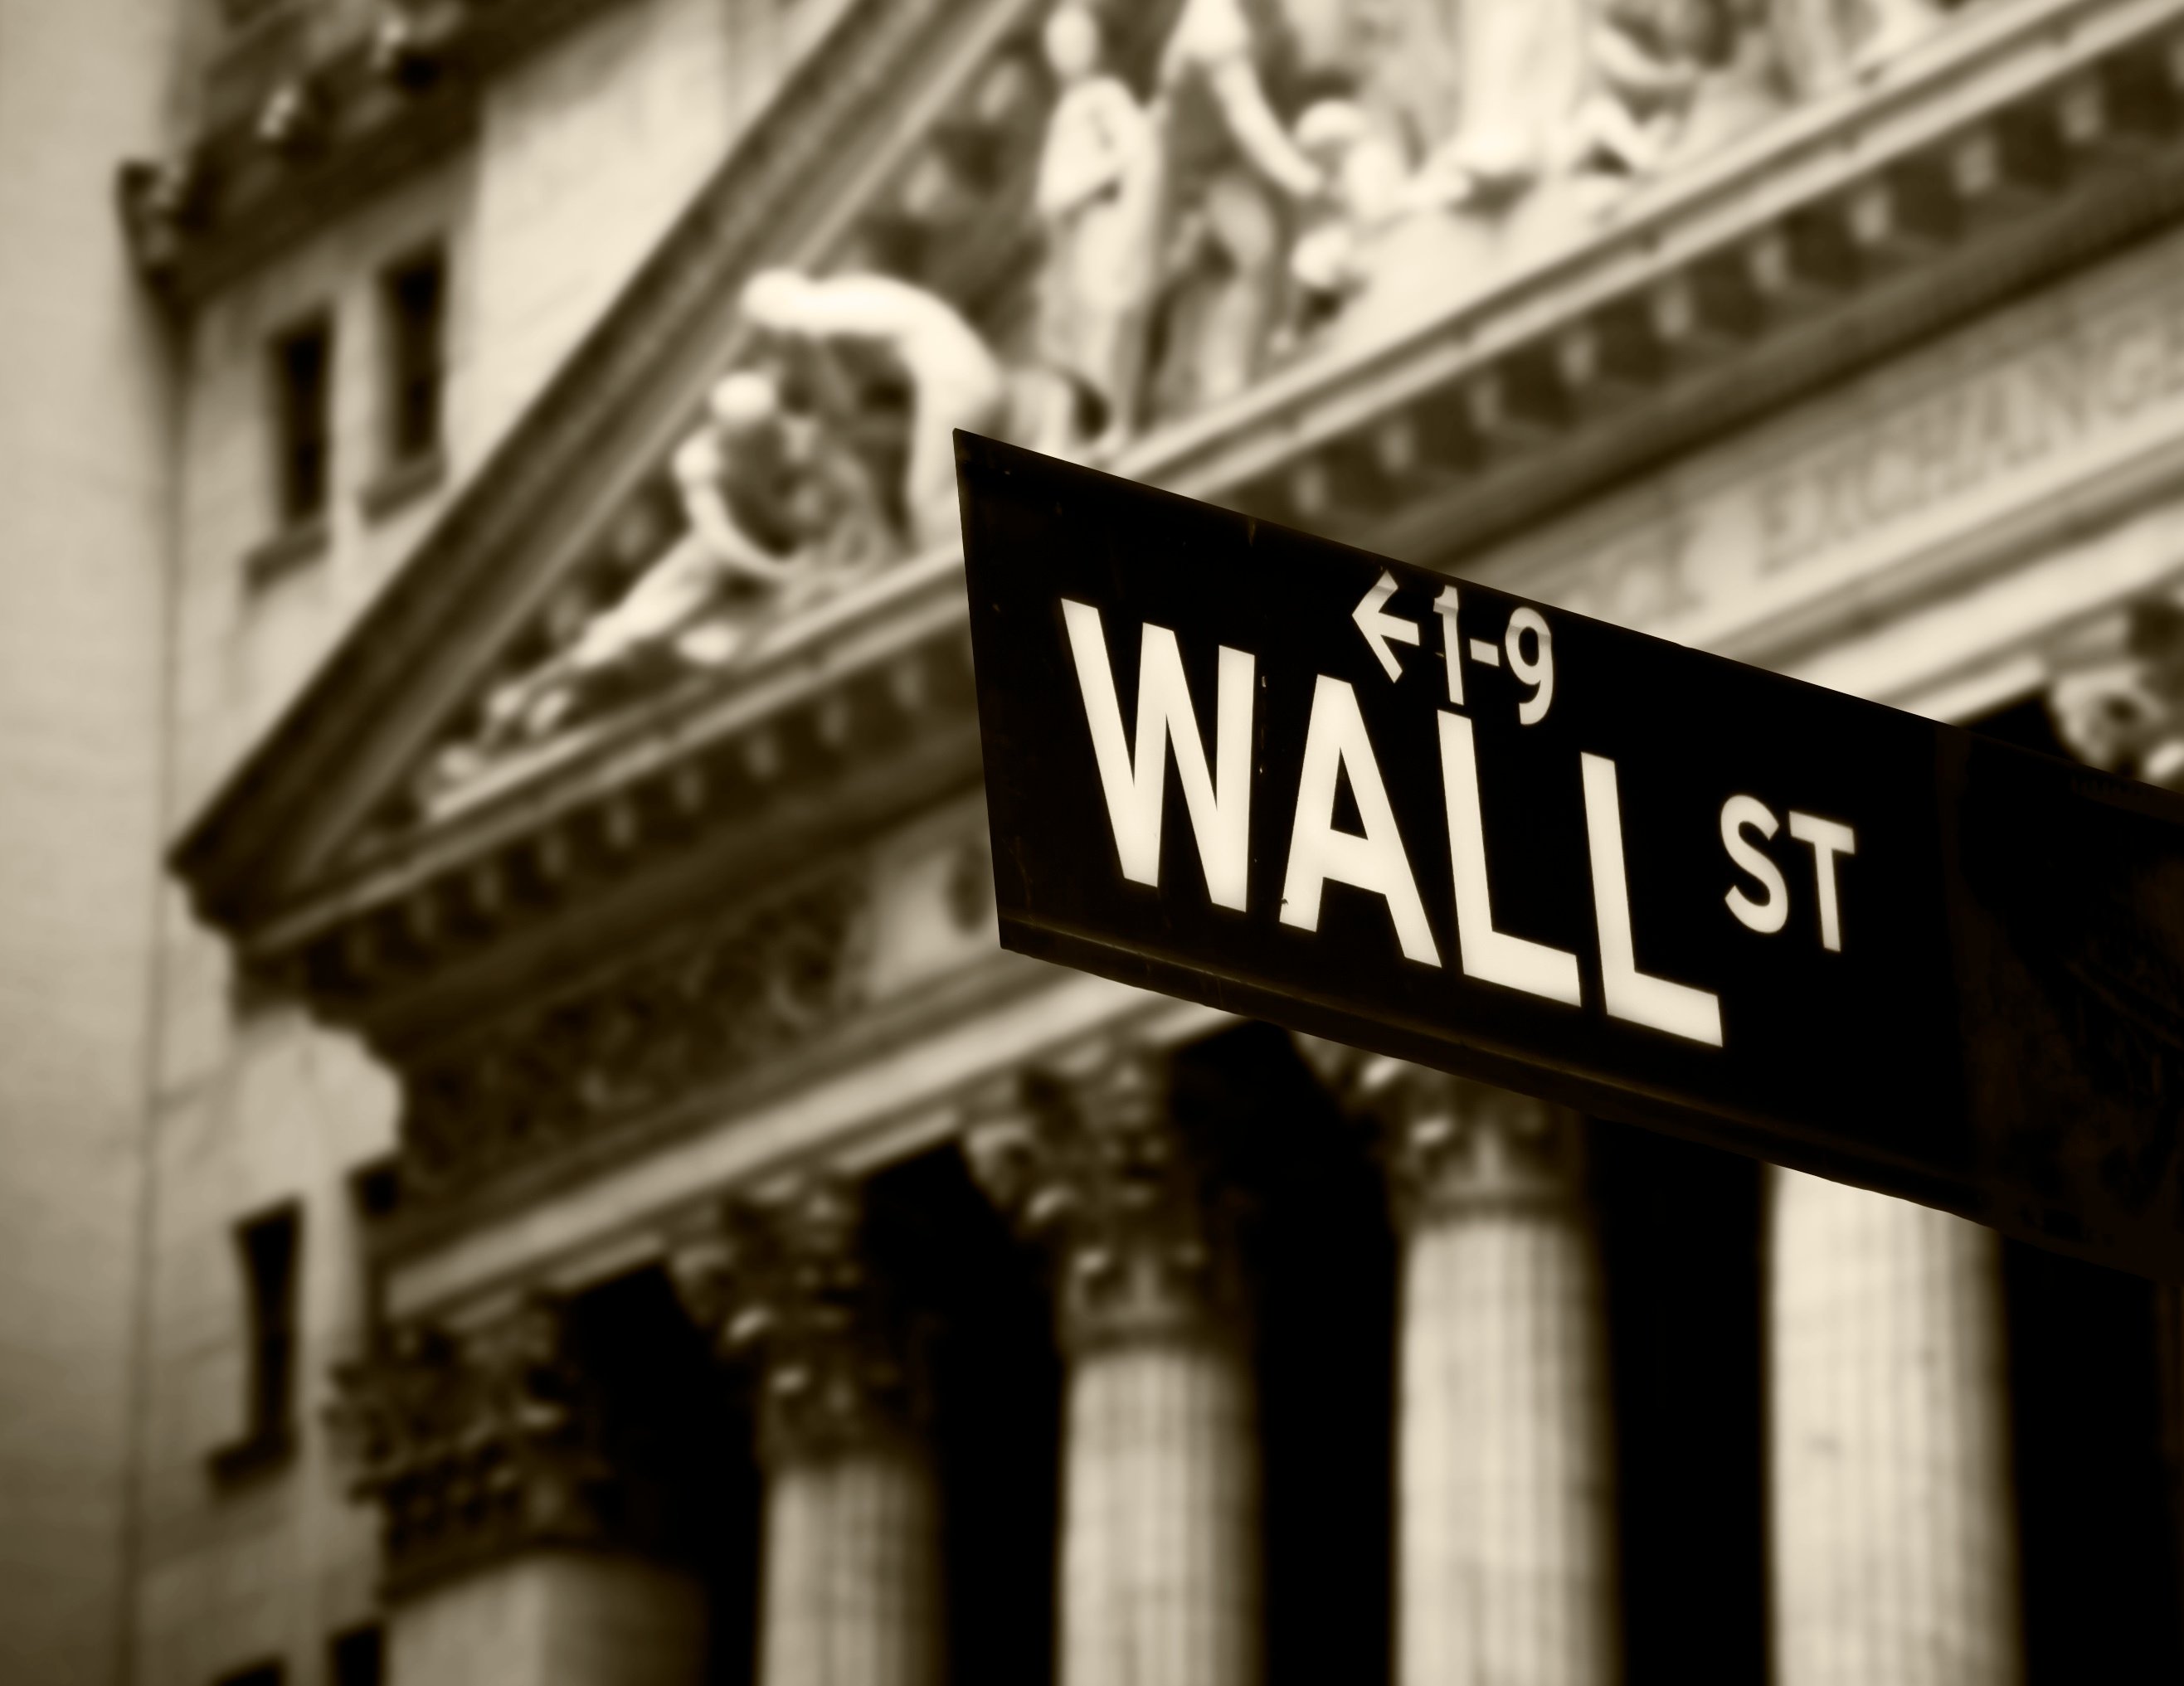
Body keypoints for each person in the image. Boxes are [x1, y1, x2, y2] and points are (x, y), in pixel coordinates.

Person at [738, 267, 1009, 553]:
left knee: (926, 505)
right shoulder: (841, 295)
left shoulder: (806, 320)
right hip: (967, 372)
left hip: (955, 388)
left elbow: (842, 407)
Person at [1031, 3, 1162, 461]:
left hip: (1103, 227)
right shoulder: (1070, 108)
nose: (1068, 53)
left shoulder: (1104, 97)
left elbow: (1136, 150)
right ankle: (1064, 437)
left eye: (1075, 42)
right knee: (1067, 339)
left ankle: (1119, 420)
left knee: (1110, 319)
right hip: (1075, 240)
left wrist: (1077, 189)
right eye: (1059, 46)